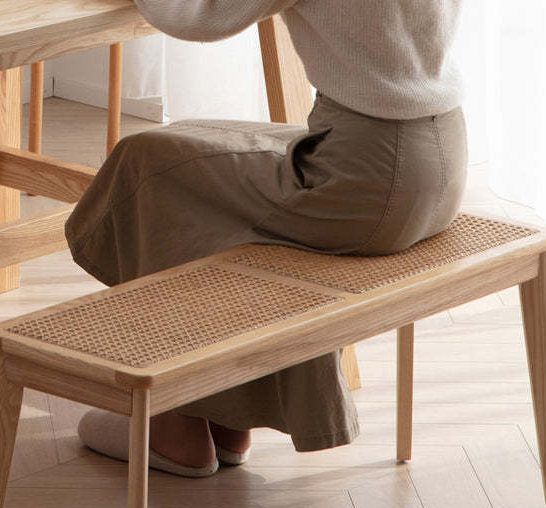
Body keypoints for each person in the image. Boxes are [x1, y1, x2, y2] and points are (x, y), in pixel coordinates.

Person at [66, 0, 467, 477]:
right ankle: (226, 413)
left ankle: (170, 424)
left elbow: (202, 17)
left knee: (150, 164)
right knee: (199, 150)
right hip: (442, 161)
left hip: (367, 176)